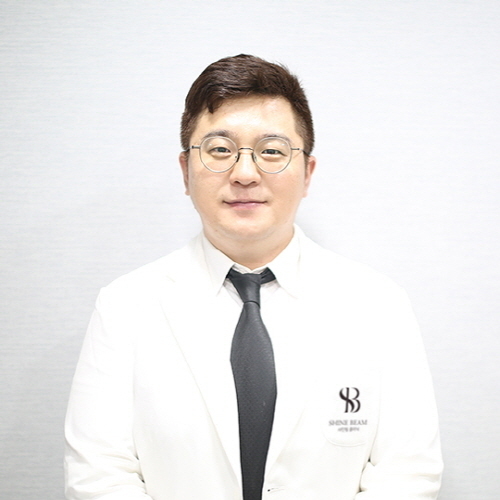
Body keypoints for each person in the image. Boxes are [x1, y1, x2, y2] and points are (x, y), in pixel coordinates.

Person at [64, 54, 443, 500]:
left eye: (272, 151)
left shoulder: (377, 304)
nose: (245, 174)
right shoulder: (125, 306)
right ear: (185, 171)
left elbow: (408, 473)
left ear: (307, 173)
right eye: (220, 150)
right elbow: (99, 476)